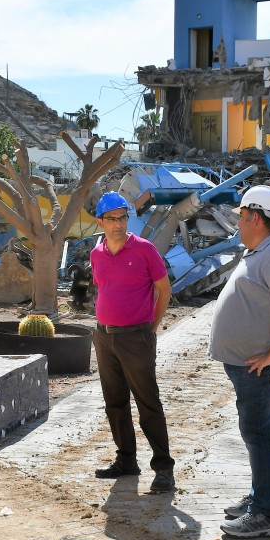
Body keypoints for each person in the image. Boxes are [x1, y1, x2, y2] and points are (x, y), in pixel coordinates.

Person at [210, 186, 270, 538]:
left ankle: (266, 513)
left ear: (255, 217)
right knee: (258, 430)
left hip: (264, 368)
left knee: (259, 431)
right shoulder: (262, 250)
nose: (238, 224)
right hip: (254, 366)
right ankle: (259, 496)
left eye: (241, 218)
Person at [89, 191, 176, 493]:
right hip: (104, 336)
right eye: (111, 219)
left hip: (136, 336)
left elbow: (163, 290)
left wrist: (151, 328)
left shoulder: (144, 250)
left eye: (123, 217)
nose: (118, 224)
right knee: (114, 402)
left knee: (147, 402)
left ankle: (164, 467)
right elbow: (103, 289)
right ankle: (126, 459)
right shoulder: (96, 253)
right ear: (100, 222)